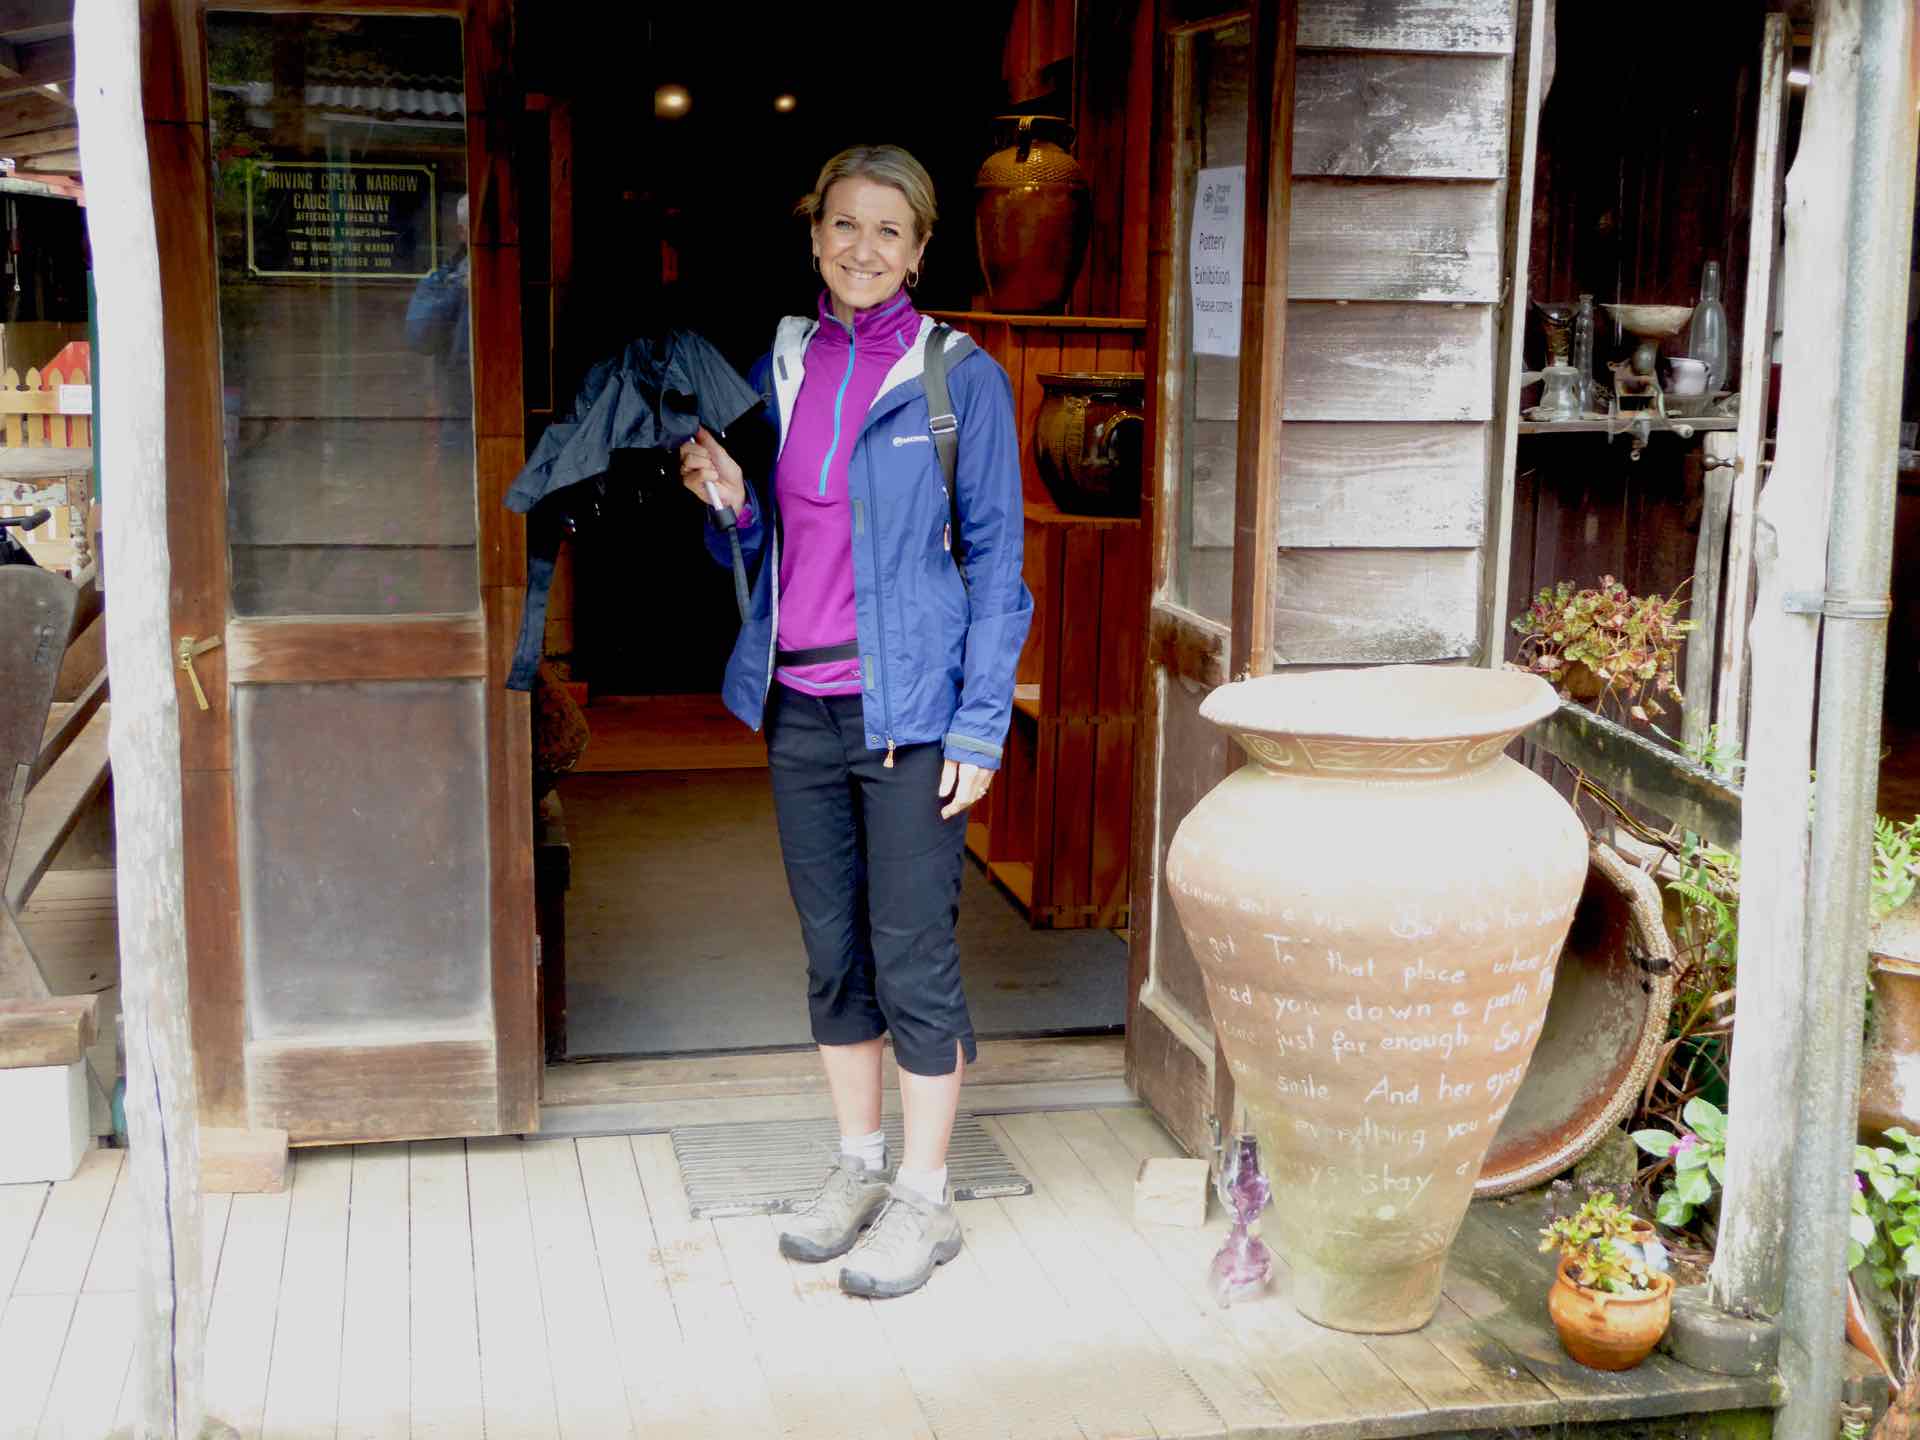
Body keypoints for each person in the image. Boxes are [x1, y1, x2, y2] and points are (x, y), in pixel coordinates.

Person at [679, 144, 1031, 1299]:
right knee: (833, 953)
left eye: (889, 230)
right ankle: (859, 1166)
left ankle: (926, 1199)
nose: (862, 248)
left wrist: (980, 729)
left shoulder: (959, 380)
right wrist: (732, 510)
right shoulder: (783, 365)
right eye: (844, 225)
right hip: (802, 709)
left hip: (913, 716)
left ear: (920, 250)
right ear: (814, 235)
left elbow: (999, 567)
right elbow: (762, 551)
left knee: (914, 955)